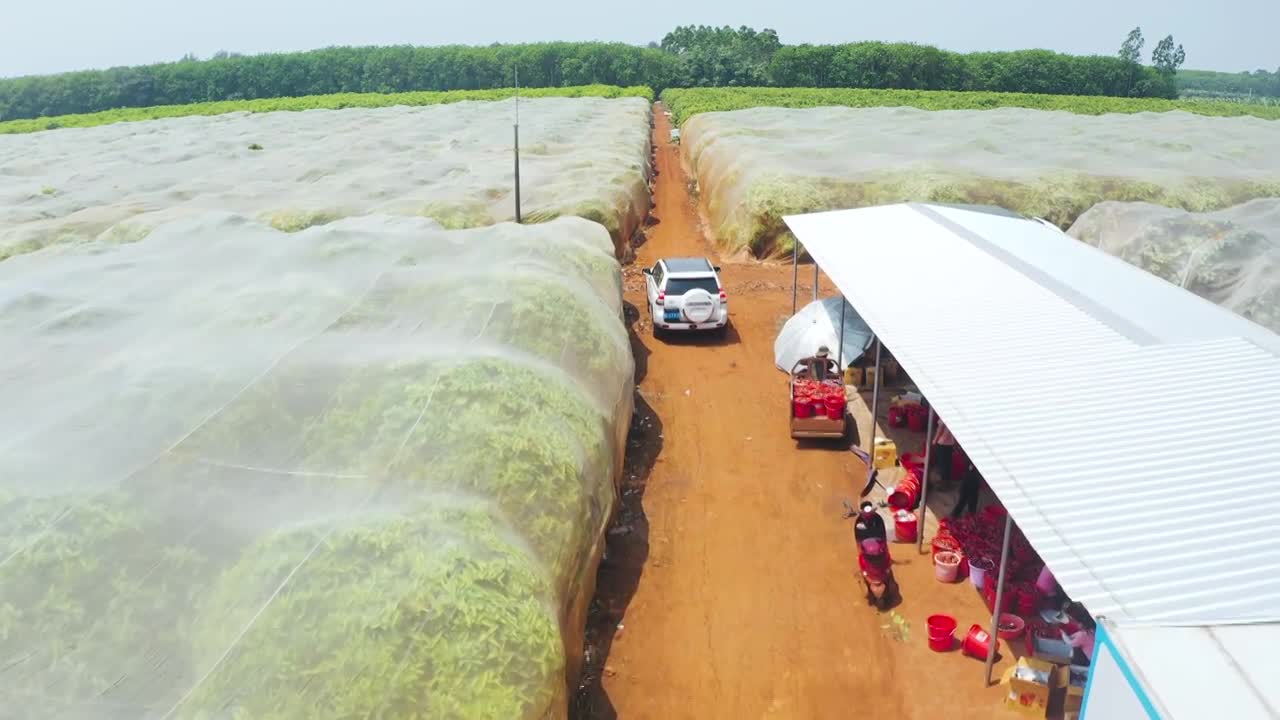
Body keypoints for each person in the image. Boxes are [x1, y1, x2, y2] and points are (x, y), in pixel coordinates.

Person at [931, 419, 956, 487]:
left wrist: (935, 440)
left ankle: (943, 483)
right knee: (947, 463)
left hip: (942, 442)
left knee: (942, 463)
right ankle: (946, 481)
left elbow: (940, 429)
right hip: (950, 443)